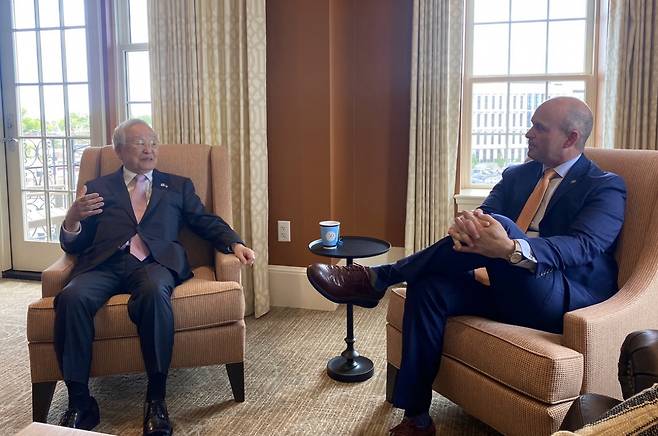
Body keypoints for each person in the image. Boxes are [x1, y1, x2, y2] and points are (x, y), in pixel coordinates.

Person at [306, 97, 627, 436]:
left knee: (499, 224)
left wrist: (511, 248)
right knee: (428, 287)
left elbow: (585, 246)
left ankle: (378, 279)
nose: (527, 133)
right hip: (502, 284)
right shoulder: (517, 175)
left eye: (539, 128)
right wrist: (471, 229)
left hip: (558, 295)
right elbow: (478, 219)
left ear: (571, 138)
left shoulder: (605, 185)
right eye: (531, 124)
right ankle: (417, 419)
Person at [54, 119, 256, 435]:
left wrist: (234, 242)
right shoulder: (98, 189)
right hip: (104, 265)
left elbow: (205, 221)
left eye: (153, 141)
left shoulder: (177, 185)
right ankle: (80, 402)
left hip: (154, 263)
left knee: (154, 294)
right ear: (119, 150)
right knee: (70, 297)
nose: (149, 149)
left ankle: (156, 400)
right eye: (140, 143)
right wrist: (71, 220)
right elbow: (75, 245)